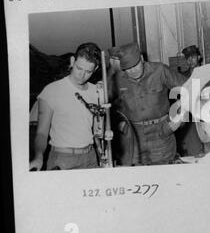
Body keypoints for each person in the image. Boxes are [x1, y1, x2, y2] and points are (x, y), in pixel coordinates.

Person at [110, 42, 187, 166]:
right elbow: (106, 104)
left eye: (135, 66)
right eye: (128, 69)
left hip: (161, 135)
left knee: (165, 175)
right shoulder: (118, 79)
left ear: (142, 58)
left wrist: (178, 119)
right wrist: (118, 124)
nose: (133, 71)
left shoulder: (160, 70)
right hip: (134, 138)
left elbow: (190, 89)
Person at [29, 42, 102, 171]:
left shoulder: (97, 91)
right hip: (62, 160)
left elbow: (98, 128)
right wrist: (39, 157)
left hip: (91, 158)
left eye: (88, 71)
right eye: (79, 68)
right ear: (72, 61)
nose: (82, 75)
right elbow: (41, 133)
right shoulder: (51, 91)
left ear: (95, 69)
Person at [175, 45, 205, 157]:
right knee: (194, 148)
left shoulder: (206, 73)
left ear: (199, 57)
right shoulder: (181, 77)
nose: (190, 60)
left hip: (205, 113)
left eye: (193, 56)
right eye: (187, 58)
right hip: (190, 117)